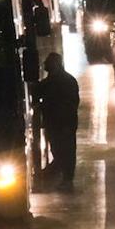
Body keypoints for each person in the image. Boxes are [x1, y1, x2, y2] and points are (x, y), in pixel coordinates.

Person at [35, 52, 81, 189]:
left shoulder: (62, 81)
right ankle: (63, 174)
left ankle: (67, 178)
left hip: (62, 123)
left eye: (48, 63)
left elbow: (70, 103)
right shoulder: (62, 80)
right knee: (60, 149)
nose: (45, 65)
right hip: (59, 123)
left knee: (64, 149)